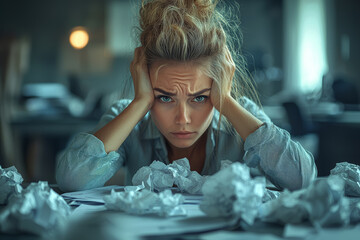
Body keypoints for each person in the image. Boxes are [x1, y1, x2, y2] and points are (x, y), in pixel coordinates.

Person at [56, 0, 317, 192]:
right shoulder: (130, 119)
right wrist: (140, 103)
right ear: (144, 84)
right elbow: (71, 180)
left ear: (218, 88)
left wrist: (226, 101)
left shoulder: (239, 117)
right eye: (165, 98)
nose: (183, 119)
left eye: (200, 98)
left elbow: (302, 179)